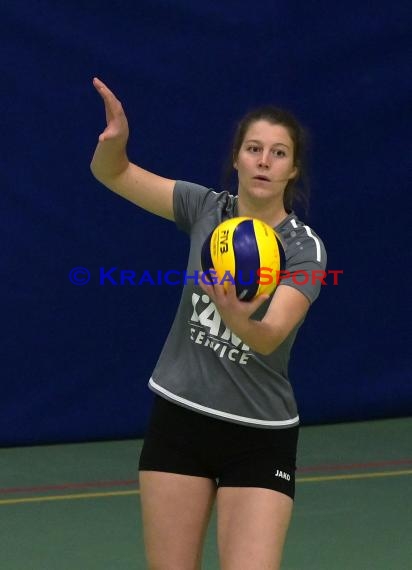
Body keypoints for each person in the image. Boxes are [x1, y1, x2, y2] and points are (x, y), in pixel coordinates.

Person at [90, 77, 327, 570]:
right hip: (180, 420)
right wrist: (113, 145)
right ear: (237, 158)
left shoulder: (304, 248)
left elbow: (269, 336)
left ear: (293, 168)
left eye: (278, 153)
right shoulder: (205, 208)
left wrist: (239, 317)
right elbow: (116, 175)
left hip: (258, 433)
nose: (264, 161)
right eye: (254, 148)